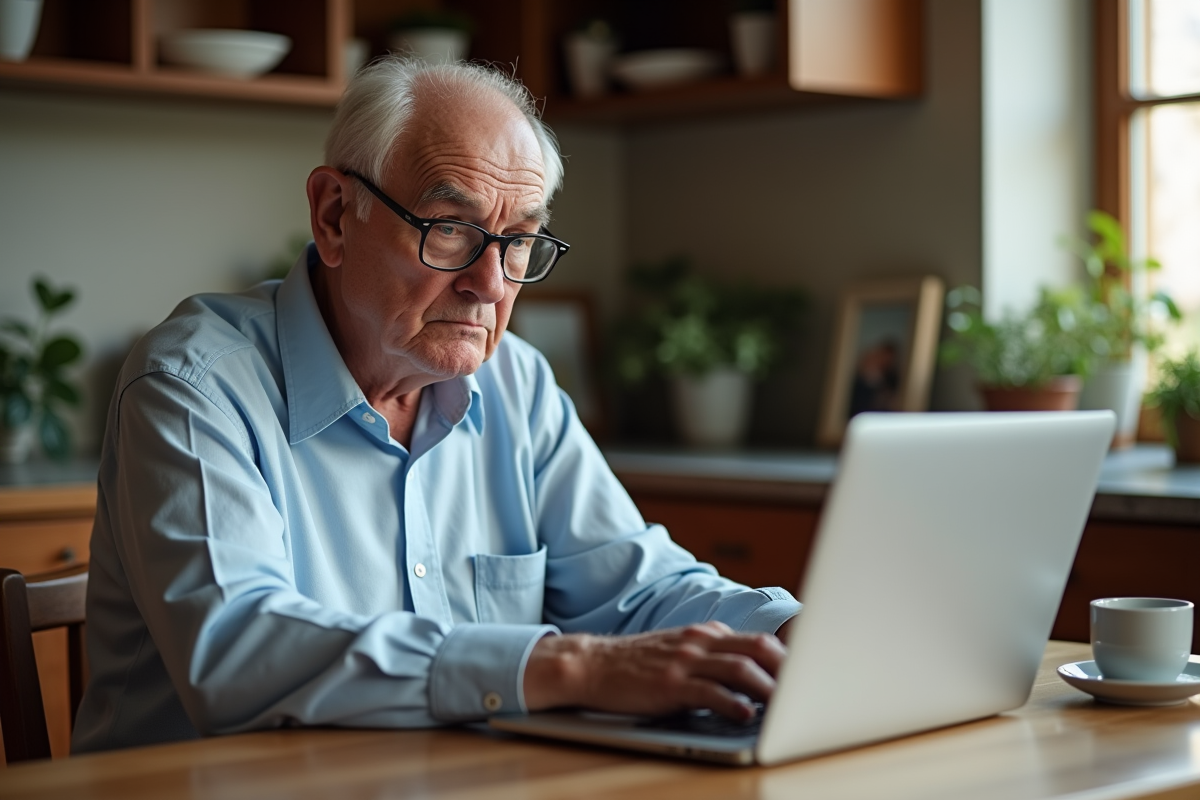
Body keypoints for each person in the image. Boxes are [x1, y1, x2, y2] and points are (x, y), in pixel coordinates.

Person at [72, 58, 801, 754]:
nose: (491, 284)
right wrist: (567, 668)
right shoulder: (195, 383)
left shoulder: (517, 382)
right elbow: (237, 650)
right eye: (450, 228)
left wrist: (796, 634)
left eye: (519, 241)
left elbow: (641, 589)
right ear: (333, 215)